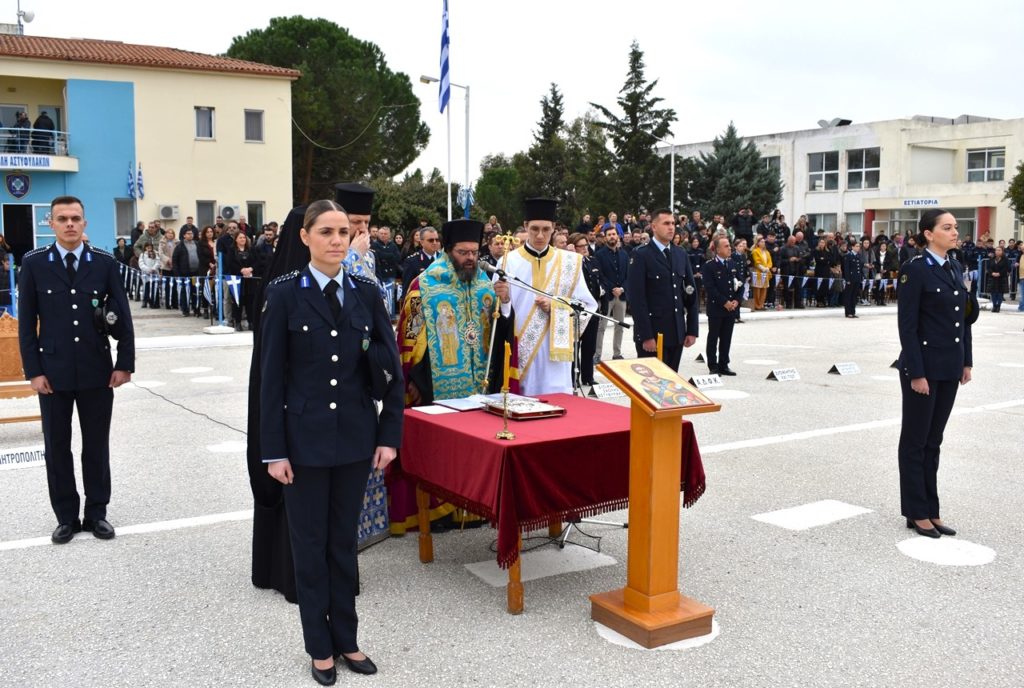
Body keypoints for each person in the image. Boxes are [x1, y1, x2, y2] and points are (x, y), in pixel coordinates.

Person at [260, 199, 402, 684]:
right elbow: (270, 380)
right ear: (305, 237)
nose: (337, 240)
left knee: (343, 546)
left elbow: (391, 370)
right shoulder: (283, 295)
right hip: (302, 445)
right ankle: (318, 648)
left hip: (356, 441)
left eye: (344, 231)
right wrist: (273, 450)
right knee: (309, 546)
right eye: (326, 231)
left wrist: (389, 435)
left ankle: (348, 639)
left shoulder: (366, 291)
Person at [17, 196, 135, 544]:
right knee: (57, 446)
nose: (70, 224)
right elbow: (27, 325)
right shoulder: (35, 263)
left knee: (96, 445)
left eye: (76, 218)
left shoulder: (104, 263)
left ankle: (97, 512)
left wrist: (124, 363)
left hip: (96, 370)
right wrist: (34, 372)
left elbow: (123, 317)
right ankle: (66, 517)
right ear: (50, 224)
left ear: (85, 224)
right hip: (52, 373)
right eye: (62, 218)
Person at [390, 218, 511, 534]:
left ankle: (476, 506)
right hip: (437, 387)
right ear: (447, 251)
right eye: (463, 252)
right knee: (442, 453)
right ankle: (439, 511)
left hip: (480, 386)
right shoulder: (423, 286)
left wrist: (506, 304)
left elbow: (499, 337)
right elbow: (408, 339)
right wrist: (413, 381)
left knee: (476, 450)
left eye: (474, 251)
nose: (470, 258)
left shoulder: (487, 286)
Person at [896, 208, 974, 539]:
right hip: (923, 368)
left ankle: (932, 508)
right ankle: (916, 511)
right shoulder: (914, 270)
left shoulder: (955, 266)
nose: (955, 232)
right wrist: (916, 371)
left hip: (949, 366)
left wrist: (966, 361)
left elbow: (963, 321)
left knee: (934, 440)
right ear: (929, 234)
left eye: (955, 227)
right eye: (947, 227)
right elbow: (907, 326)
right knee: (915, 440)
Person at [496, 198, 597, 395]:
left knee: (557, 409)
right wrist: (506, 301)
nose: (540, 235)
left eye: (546, 229)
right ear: (526, 226)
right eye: (534, 229)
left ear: (553, 229)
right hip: (521, 352)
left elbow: (588, 305)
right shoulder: (507, 262)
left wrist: (557, 306)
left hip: (556, 357)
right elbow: (497, 312)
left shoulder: (570, 262)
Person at [626, 209, 700, 371]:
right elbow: (637, 300)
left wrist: (692, 330)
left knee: (671, 387)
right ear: (653, 226)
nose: (671, 228)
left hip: (677, 332)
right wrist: (646, 336)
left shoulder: (680, 254)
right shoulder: (641, 255)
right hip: (654, 333)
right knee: (652, 388)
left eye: (673, 223)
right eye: (666, 223)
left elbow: (691, 293)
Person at [701, 236, 741, 376]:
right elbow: (710, 288)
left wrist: (736, 301)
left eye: (729, 245)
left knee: (726, 337)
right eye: (726, 246)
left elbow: (739, 285)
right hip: (717, 308)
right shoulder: (709, 266)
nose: (729, 248)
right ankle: (713, 365)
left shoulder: (733, 264)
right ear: (717, 249)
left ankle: (724, 364)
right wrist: (724, 302)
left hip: (731, 308)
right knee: (714, 337)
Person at [571, 232, 603, 385]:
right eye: (581, 246)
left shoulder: (593, 261)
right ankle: (573, 377)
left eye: (586, 245)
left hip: (592, 309)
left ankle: (588, 377)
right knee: (575, 345)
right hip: (576, 310)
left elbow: (599, 281)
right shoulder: (570, 264)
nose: (585, 248)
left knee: (590, 346)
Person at [594, 225, 629, 361]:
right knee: (601, 327)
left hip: (622, 296)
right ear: (605, 237)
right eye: (609, 235)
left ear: (618, 236)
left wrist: (622, 289)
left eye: (613, 234)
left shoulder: (624, 255)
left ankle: (617, 353)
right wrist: (612, 289)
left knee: (619, 326)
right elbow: (600, 276)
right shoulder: (599, 255)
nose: (612, 237)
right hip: (606, 297)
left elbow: (628, 275)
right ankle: (597, 354)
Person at [172, 227, 211, 317]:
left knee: (196, 291)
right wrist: (177, 273)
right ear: (184, 235)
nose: (190, 235)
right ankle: (185, 310)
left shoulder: (197, 244)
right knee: (185, 292)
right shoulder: (179, 246)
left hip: (196, 273)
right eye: (188, 234)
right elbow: (175, 260)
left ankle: (196, 309)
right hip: (184, 273)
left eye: (191, 233)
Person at [401, 226, 440, 298]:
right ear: (422, 242)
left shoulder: (444, 259)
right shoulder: (412, 261)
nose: (435, 243)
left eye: (437, 240)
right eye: (431, 240)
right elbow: (407, 289)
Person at [842, 241, 864, 318]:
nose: (858, 248)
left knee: (854, 296)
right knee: (849, 295)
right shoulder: (848, 256)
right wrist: (847, 279)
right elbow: (846, 269)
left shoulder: (858, 255)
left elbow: (860, 268)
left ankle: (853, 311)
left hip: (857, 278)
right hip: (850, 279)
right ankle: (848, 312)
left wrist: (861, 277)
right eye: (857, 246)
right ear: (852, 247)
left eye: (859, 246)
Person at [750, 235, 772, 311]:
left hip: (765, 273)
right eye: (761, 242)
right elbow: (757, 262)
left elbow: (770, 262)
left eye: (764, 242)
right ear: (758, 243)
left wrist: (767, 268)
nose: (763, 243)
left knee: (764, 289)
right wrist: (763, 268)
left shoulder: (767, 252)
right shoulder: (755, 251)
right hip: (758, 273)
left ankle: (761, 304)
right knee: (757, 289)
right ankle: (757, 305)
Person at [987, 246, 1009, 312]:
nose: (997, 251)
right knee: (993, 292)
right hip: (993, 278)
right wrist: (992, 273)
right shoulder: (992, 259)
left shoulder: (1005, 259)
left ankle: (998, 306)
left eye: (999, 250)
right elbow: (988, 267)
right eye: (996, 250)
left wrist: (999, 273)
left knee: (1000, 293)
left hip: (1001, 278)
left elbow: (1006, 268)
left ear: (1002, 251)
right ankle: (994, 306)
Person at [139, 244, 161, 309]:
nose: (149, 249)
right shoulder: (142, 255)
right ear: (145, 248)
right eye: (148, 248)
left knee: (155, 288)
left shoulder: (156, 253)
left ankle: (156, 303)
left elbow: (158, 262)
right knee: (147, 288)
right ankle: (146, 301)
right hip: (146, 274)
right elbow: (141, 263)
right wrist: (147, 269)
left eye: (150, 247)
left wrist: (153, 268)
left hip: (154, 273)